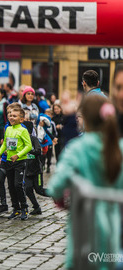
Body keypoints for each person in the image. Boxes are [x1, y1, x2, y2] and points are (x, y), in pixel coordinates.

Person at [48, 95, 123, 269]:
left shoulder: (77, 148)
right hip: (117, 231)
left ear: (84, 119)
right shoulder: (119, 147)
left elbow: (55, 188)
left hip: (85, 234)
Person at [0, 107, 32, 220]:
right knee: (11, 185)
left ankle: (24, 208)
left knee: (18, 185)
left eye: (14, 116)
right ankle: (15, 208)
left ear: (21, 119)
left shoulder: (23, 130)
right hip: (9, 162)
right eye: (10, 115)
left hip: (20, 161)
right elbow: (5, 144)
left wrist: (18, 155)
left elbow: (29, 146)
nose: (11, 117)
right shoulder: (8, 129)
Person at [23, 120, 48, 215]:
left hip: (36, 170)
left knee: (39, 190)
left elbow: (38, 151)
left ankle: (56, 194)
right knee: (27, 189)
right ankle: (36, 207)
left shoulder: (34, 139)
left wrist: (28, 150)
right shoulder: (21, 140)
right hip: (26, 170)